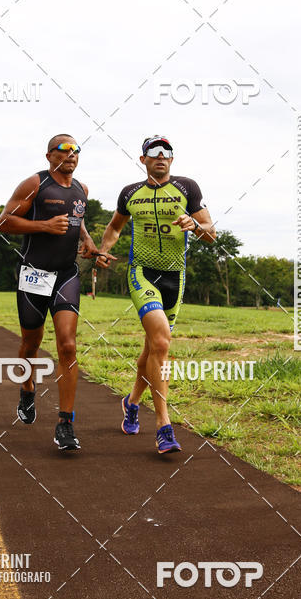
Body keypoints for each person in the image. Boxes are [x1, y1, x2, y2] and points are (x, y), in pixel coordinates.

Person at [97, 135, 216, 454]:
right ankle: (164, 426)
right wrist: (104, 250)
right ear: (143, 159)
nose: (161, 156)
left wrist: (194, 224)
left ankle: (132, 402)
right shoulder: (129, 193)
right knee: (162, 342)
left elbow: (211, 233)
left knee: (153, 347)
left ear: (172, 160)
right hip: (142, 273)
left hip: (175, 278)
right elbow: (115, 227)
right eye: (154, 152)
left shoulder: (188, 187)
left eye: (167, 152)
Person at [0, 134, 114, 451]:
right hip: (34, 274)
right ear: (50, 155)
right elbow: (3, 222)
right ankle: (27, 388)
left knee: (68, 346)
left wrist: (87, 242)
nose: (72, 154)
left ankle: (65, 423)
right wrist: (45, 226)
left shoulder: (82, 190)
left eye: (76, 150)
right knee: (31, 343)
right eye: (65, 149)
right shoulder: (34, 184)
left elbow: (78, 220)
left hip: (66, 275)